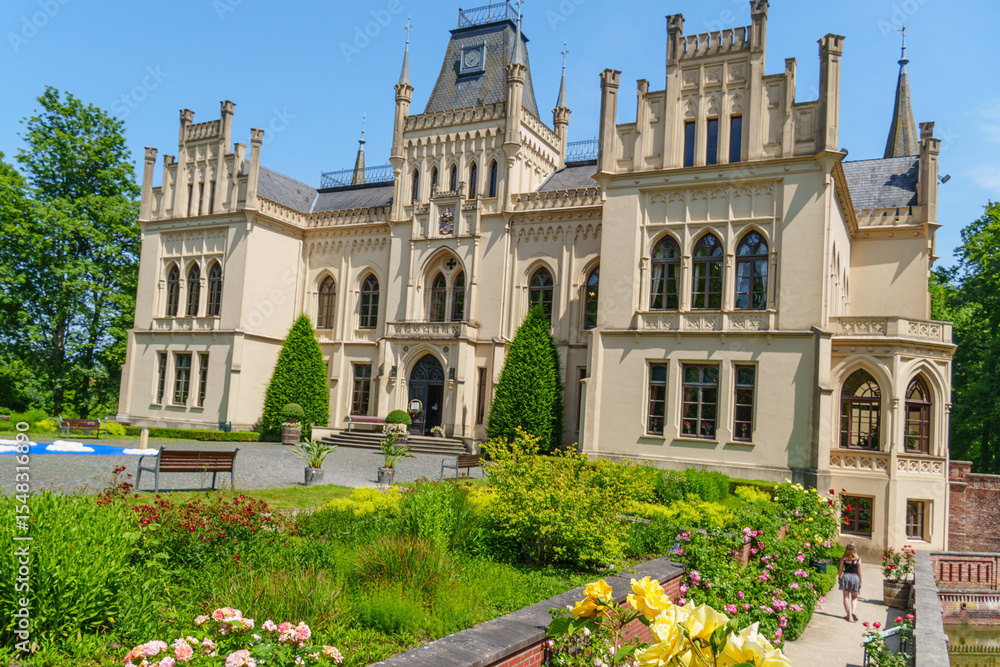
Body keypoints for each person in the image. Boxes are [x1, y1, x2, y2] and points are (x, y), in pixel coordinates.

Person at [838, 542, 862, 622]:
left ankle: (848, 615)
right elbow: (860, 572)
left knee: (846, 597)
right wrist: (860, 582)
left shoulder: (844, 558)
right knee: (854, 597)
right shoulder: (858, 559)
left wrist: (839, 577)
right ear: (855, 549)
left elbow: (841, 569)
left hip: (846, 576)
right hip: (855, 577)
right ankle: (854, 611)